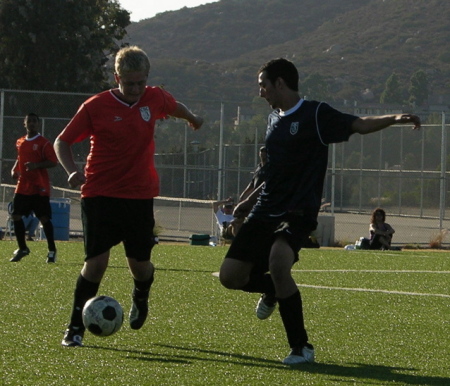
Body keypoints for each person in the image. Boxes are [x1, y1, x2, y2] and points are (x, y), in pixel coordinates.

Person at [218, 58, 421, 365]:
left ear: (280, 83)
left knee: (279, 262)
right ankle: (273, 290)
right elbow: (272, 173)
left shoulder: (315, 114)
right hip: (265, 208)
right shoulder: (274, 119)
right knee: (230, 277)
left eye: (263, 85)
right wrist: (246, 204)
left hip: (298, 210)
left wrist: (394, 117)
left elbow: (358, 124)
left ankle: (301, 348)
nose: (260, 92)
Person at [54, 46, 203, 347]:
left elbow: (176, 107)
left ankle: (141, 293)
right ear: (116, 77)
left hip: (138, 195)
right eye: (128, 83)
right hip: (99, 192)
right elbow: (62, 141)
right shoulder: (95, 106)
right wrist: (71, 170)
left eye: (140, 83)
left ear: (147, 79)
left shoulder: (155, 97)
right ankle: (74, 328)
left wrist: (193, 119)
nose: (135, 89)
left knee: (140, 265)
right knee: (96, 264)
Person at [9, 113, 58, 263]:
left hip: (39, 187)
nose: (32, 124)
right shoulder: (20, 142)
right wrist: (14, 169)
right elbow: (20, 158)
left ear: (38, 124)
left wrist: (36, 165)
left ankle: (51, 250)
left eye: (34, 121)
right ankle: (22, 248)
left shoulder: (43, 143)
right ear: (24, 124)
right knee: (16, 215)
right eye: (29, 121)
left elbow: (53, 161)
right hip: (23, 186)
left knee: (43, 218)